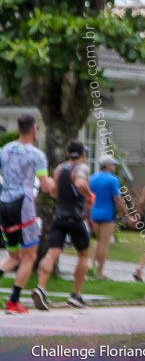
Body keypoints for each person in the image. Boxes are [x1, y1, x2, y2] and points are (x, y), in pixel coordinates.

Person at [0, 114, 55, 314]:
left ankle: (13, 300)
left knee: (14, 256)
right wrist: (53, 184)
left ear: (17, 127)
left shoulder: (4, 150)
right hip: (23, 204)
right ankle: (13, 301)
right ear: (34, 129)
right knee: (30, 256)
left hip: (4, 203)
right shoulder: (36, 155)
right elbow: (46, 185)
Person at [34, 141, 94, 310]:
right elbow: (81, 184)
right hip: (75, 217)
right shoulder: (82, 168)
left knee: (53, 252)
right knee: (83, 254)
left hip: (59, 216)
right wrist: (89, 195)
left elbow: (53, 191)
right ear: (83, 154)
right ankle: (76, 295)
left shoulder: (60, 169)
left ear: (68, 154)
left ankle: (41, 287)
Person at [89, 156, 137, 280]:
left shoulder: (92, 178)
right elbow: (118, 199)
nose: (115, 167)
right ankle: (100, 272)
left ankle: (91, 266)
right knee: (104, 244)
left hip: (94, 213)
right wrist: (127, 215)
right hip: (107, 214)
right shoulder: (113, 180)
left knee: (98, 241)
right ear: (108, 165)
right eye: (113, 165)